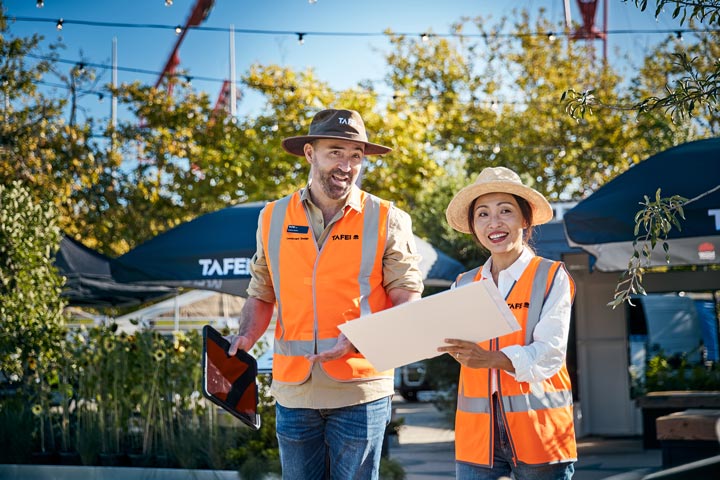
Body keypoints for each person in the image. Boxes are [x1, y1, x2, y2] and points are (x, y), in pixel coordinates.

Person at [228, 108, 424, 480]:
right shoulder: (272, 217)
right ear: (309, 153)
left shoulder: (387, 217)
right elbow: (261, 292)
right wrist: (245, 336)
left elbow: (406, 297)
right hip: (293, 391)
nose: (347, 165)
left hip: (361, 388)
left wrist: (361, 338)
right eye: (336, 152)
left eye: (355, 156)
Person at [437, 166, 577, 480]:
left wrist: (492, 359)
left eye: (506, 211)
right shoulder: (462, 284)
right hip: (477, 441)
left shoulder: (551, 276)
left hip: (540, 435)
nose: (494, 223)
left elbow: (550, 353)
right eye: (483, 214)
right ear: (473, 226)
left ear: (525, 219)